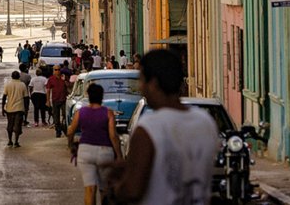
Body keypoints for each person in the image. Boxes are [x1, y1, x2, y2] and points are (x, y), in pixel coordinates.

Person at [105, 49, 219, 205]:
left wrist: (115, 184)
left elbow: (132, 191)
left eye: (142, 80)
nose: (141, 88)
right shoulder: (205, 122)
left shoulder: (149, 127)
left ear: (153, 84)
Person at [67, 84, 123, 205]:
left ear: (88, 96)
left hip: (85, 151)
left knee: (89, 189)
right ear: (102, 97)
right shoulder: (108, 113)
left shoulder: (80, 112)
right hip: (105, 152)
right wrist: (118, 155)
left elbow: (70, 131)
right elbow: (113, 136)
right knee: (105, 189)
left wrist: (71, 144)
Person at [2, 71, 28, 147]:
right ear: (19, 77)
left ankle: (10, 140)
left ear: (12, 76)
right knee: (17, 125)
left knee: (10, 125)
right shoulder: (22, 85)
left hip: (10, 108)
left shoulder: (8, 85)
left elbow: (4, 97)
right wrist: (26, 109)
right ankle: (16, 141)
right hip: (19, 108)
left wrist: (3, 108)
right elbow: (26, 98)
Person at [46, 64, 68, 138]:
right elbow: (48, 90)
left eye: (59, 70)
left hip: (64, 100)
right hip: (55, 100)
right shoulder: (51, 79)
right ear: (53, 71)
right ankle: (58, 131)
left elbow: (69, 86)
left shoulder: (64, 77)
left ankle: (65, 128)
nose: (57, 71)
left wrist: (64, 80)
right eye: (56, 70)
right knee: (56, 117)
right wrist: (48, 100)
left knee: (65, 115)